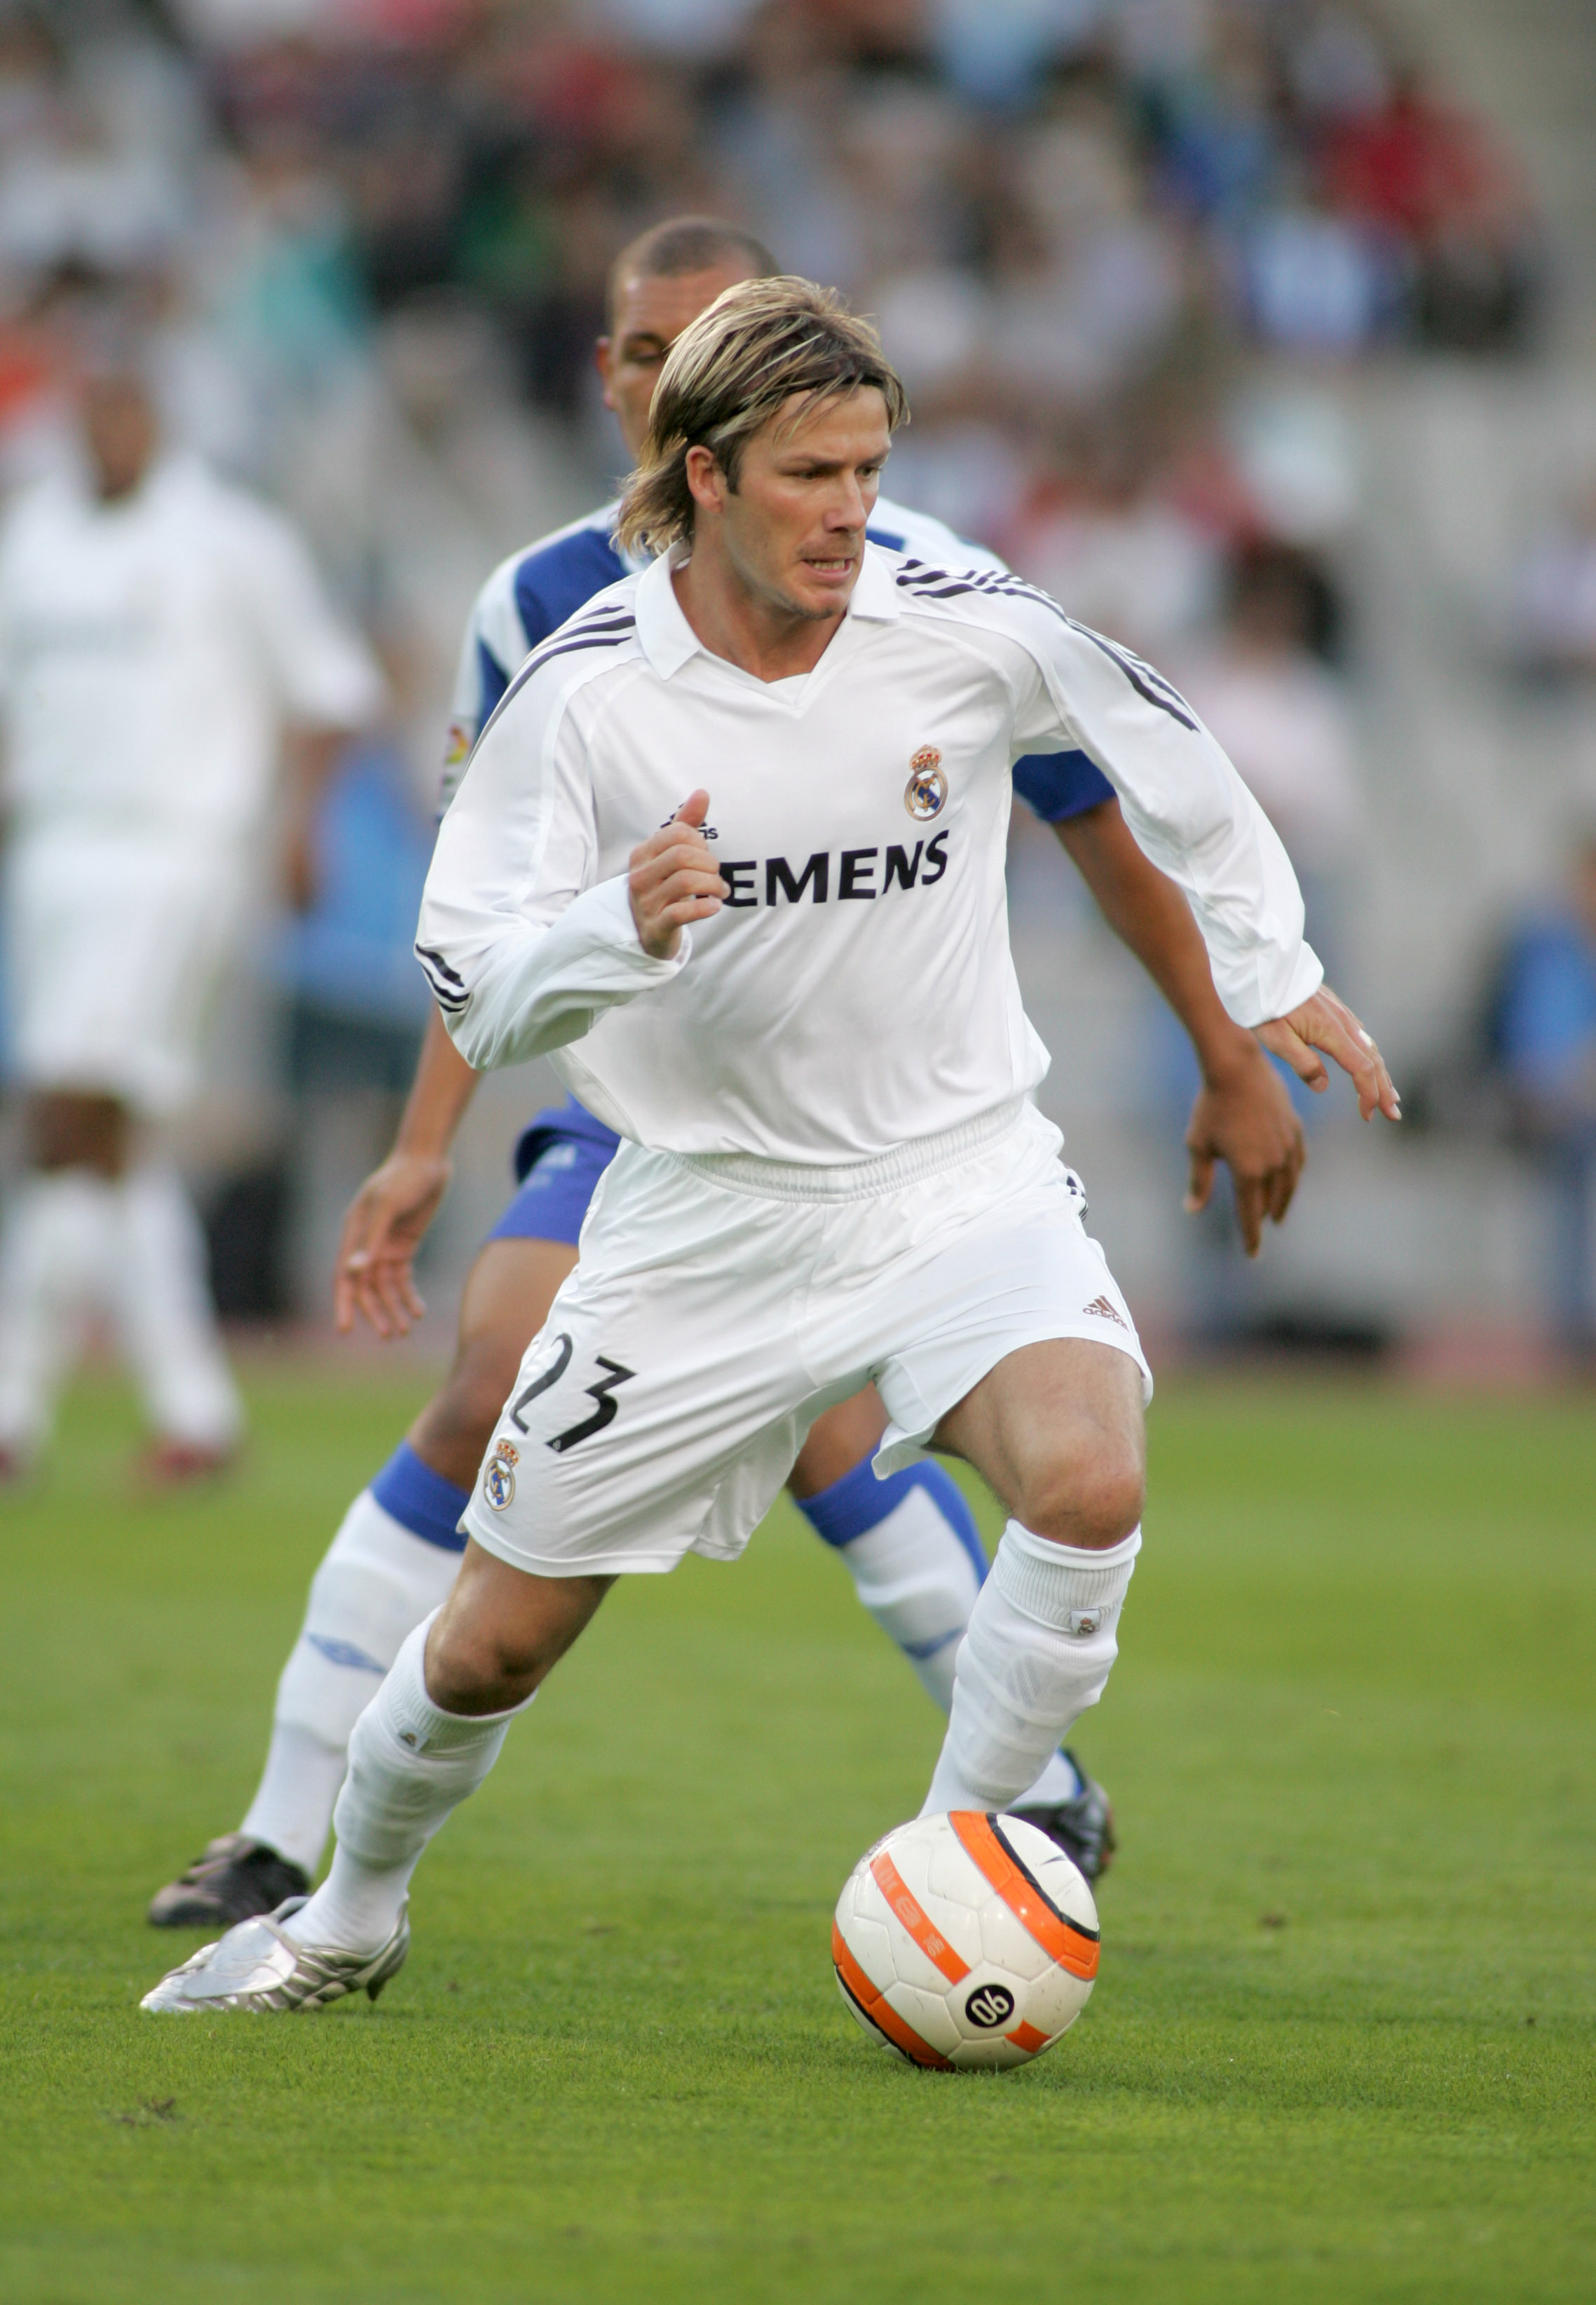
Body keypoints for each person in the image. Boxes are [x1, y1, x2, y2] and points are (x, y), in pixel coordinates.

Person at [143, 276, 1395, 2016]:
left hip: (954, 1176)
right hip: (697, 1225)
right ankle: (347, 1916)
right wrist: (611, 928)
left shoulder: (956, 617)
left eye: (870, 468)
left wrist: (1270, 980)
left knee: (1090, 1484)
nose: (852, 511)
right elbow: (468, 971)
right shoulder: (583, 691)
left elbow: (1155, 748)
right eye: (811, 475)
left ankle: (957, 1863)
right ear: (704, 474)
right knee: (494, 1641)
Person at [0, 358, 383, 1481]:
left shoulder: (230, 539)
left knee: (72, 1111)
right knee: (111, 1138)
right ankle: (194, 1410)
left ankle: (16, 1409)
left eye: (130, 409)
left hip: (174, 849)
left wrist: (302, 831)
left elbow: (327, 694)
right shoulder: (34, 538)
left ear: (159, 420)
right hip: (54, 846)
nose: (112, 431)